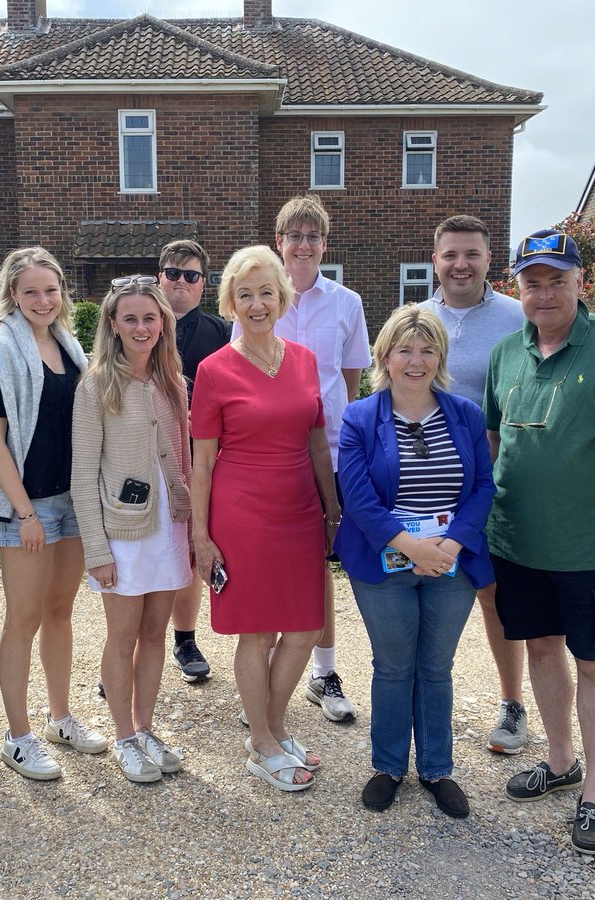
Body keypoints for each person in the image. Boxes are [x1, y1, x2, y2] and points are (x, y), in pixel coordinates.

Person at [484, 228, 595, 855]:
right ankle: (558, 762)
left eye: (558, 279)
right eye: (533, 282)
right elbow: (495, 440)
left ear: (580, 282)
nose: (546, 292)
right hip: (518, 542)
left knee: (594, 661)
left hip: (594, 546)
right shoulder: (507, 353)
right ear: (518, 289)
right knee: (539, 650)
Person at [335, 305, 495, 816]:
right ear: (384, 355)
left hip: (451, 564)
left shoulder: (465, 414)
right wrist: (411, 546)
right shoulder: (361, 416)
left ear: (440, 358)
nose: (415, 360)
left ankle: (436, 769)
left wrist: (451, 545)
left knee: (436, 667)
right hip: (386, 564)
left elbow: (484, 487)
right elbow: (357, 498)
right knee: (393, 665)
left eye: (427, 350)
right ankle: (387, 766)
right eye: (404, 349)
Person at [191, 245, 339, 792]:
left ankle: (272, 728)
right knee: (256, 631)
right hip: (242, 512)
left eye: (266, 292)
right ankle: (262, 742)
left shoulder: (302, 359)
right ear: (230, 303)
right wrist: (201, 535)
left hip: (300, 508)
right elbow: (201, 460)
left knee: (303, 628)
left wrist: (331, 507)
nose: (257, 303)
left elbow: (318, 442)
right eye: (245, 294)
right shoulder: (213, 370)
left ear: (283, 297)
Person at [0, 247, 108, 782]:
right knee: (22, 619)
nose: (43, 300)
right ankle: (16, 735)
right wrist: (24, 513)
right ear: (12, 295)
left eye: (52, 290)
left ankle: (59, 717)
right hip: (27, 507)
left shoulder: (70, 348)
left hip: (72, 500)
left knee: (60, 613)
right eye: (31, 291)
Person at [231, 193, 370, 722]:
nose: (304, 245)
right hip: (267, 458)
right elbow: (238, 374)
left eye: (314, 236)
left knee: (318, 565)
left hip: (329, 451)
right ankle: (261, 683)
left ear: (324, 245)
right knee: (267, 565)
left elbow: (350, 382)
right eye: (296, 236)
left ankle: (324, 671)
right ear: (279, 242)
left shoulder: (347, 303)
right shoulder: (259, 301)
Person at [70, 275, 191, 784]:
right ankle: (123, 736)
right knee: (122, 637)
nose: (142, 327)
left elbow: (184, 457)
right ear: (114, 326)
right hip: (122, 531)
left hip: (171, 526)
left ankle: (145, 727)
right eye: (131, 319)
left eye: (150, 318)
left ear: (163, 323)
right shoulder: (96, 385)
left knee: (156, 633)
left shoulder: (173, 382)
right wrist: (96, 549)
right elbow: (82, 475)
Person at [418, 214, 527, 755]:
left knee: (493, 594)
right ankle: (423, 697)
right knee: (423, 588)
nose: (461, 264)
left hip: (498, 482)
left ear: (490, 259)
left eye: (472, 254)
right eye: (450, 254)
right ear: (435, 259)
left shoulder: (517, 317)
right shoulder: (415, 319)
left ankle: (511, 702)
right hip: (426, 487)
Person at [158, 239, 231, 684]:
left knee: (189, 549)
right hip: (145, 455)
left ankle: (185, 639)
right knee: (140, 551)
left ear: (202, 284)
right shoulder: (138, 320)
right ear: (159, 277)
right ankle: (126, 647)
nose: (180, 283)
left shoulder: (221, 331)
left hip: (200, 455)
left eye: (191, 275)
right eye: (172, 273)